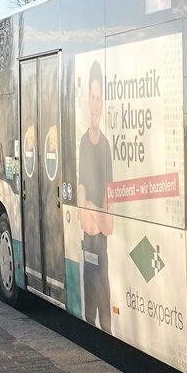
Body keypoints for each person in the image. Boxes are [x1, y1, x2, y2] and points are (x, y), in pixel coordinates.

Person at [78, 61, 113, 333]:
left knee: (108, 323)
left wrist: (93, 207)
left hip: (103, 254)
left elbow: (109, 226)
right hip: (89, 248)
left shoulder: (106, 146)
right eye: (92, 97)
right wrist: (94, 210)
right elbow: (85, 222)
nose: (96, 103)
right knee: (89, 317)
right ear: (87, 100)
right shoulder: (82, 143)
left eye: (99, 97)